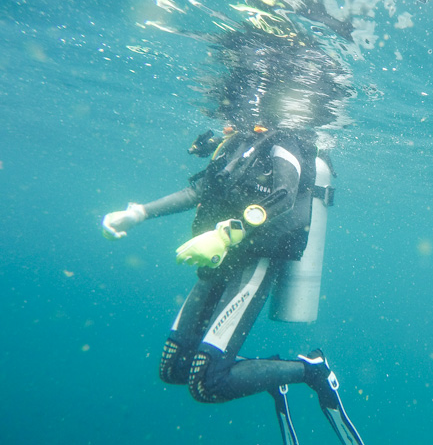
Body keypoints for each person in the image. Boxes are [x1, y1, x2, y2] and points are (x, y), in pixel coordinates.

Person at [102, 124, 364, 445]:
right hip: (219, 260)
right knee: (174, 368)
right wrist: (139, 213)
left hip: (254, 260)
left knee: (206, 384)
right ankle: (263, 374)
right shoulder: (240, 142)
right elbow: (200, 191)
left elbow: (284, 196)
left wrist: (227, 234)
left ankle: (312, 371)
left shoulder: (284, 142)